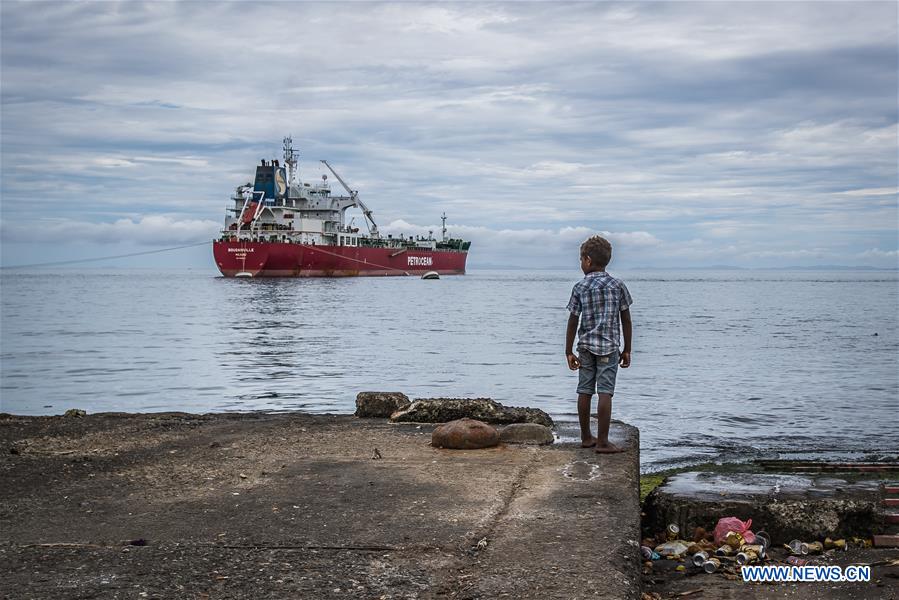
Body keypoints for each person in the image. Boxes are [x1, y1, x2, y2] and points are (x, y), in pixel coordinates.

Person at [564, 235, 633, 453]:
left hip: (585, 347)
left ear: (587, 260)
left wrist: (568, 351)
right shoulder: (617, 285)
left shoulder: (580, 287)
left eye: (580, 260)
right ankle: (603, 441)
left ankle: (586, 437)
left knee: (584, 391)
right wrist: (628, 349)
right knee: (605, 392)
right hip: (610, 348)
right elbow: (626, 319)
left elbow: (573, 320)